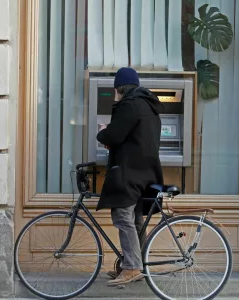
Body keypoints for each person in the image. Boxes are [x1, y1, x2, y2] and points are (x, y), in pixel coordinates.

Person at [96, 67, 164, 285]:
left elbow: (115, 135)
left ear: (119, 89)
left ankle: (132, 267)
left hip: (131, 172)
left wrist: (102, 131)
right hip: (147, 171)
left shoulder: (129, 104)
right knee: (135, 220)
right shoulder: (148, 105)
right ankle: (138, 265)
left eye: (116, 91)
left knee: (123, 217)